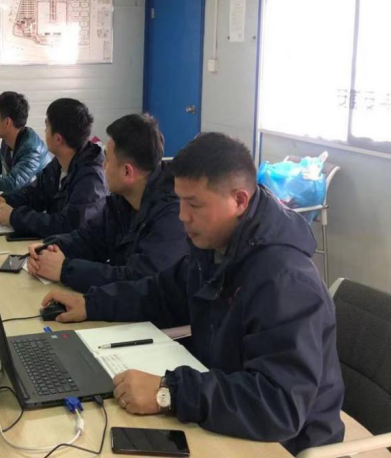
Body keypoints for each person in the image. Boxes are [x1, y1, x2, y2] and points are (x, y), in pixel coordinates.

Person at [41, 132, 345, 456]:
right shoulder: (216, 244)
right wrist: (91, 303)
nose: (182, 215)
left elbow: (279, 405)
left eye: (194, 204)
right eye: (180, 200)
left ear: (239, 201)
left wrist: (168, 392)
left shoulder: (286, 281)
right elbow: (163, 293)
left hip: (282, 443)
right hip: (225, 411)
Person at [27, 113, 188, 291]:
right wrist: (50, 247)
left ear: (127, 172)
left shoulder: (172, 214)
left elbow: (138, 280)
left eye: (107, 160)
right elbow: (90, 238)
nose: (103, 166)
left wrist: (65, 270)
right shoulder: (122, 199)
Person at [0, 98, 108, 238]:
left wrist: (14, 217)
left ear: (58, 139)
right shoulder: (60, 162)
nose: (44, 131)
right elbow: (35, 193)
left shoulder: (91, 179)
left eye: (47, 126)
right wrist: (5, 200)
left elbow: (66, 226)